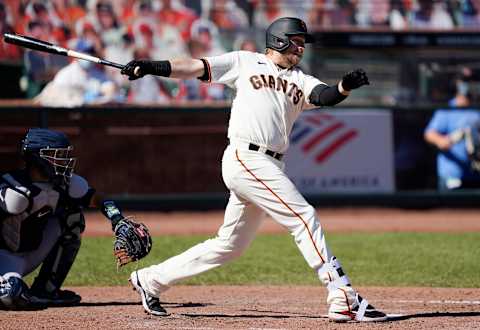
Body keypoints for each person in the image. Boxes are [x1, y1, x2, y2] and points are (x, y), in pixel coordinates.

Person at [120, 17, 387, 322]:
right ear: (279, 39)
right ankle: (343, 296)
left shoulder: (300, 78)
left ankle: (150, 279)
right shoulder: (245, 62)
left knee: (230, 245)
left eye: (302, 42)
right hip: (246, 156)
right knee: (303, 217)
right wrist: (151, 66)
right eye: (297, 40)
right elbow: (194, 66)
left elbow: (325, 96)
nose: (301, 47)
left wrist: (345, 86)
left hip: (268, 163)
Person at [0, 128, 95, 310]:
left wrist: (118, 219)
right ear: (36, 157)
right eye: (55, 154)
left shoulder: (63, 183)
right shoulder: (11, 189)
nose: (62, 160)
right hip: (4, 259)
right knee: (11, 294)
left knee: (72, 218)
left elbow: (95, 198)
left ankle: (45, 291)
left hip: (29, 254)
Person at [424, 68, 480, 190]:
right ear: (458, 84)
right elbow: (429, 133)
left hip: (476, 175)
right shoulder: (447, 109)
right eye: (465, 81)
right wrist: (444, 140)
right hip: (452, 176)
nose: (470, 85)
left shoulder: (477, 108)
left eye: (473, 81)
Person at [35, 38, 123, 107]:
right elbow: (55, 101)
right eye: (85, 53)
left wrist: (109, 90)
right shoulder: (66, 74)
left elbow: (110, 89)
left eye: (90, 53)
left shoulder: (97, 74)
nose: (88, 56)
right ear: (76, 55)